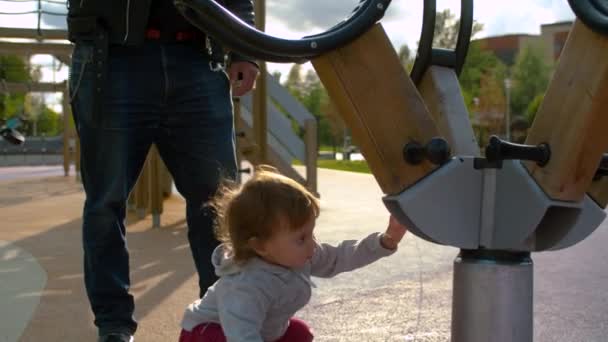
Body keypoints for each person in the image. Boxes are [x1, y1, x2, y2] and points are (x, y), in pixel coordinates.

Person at [66, 0, 259, 341]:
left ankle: (223, 315)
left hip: (198, 56)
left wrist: (244, 49)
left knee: (219, 201)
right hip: (112, 55)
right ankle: (113, 325)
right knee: (105, 203)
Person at [178, 167, 409, 341]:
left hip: (261, 332)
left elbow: (340, 257)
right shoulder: (244, 286)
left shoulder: (297, 255)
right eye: (301, 238)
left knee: (298, 332)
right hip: (208, 334)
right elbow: (242, 336)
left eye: (311, 234)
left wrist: (386, 241)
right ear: (260, 246)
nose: (312, 245)